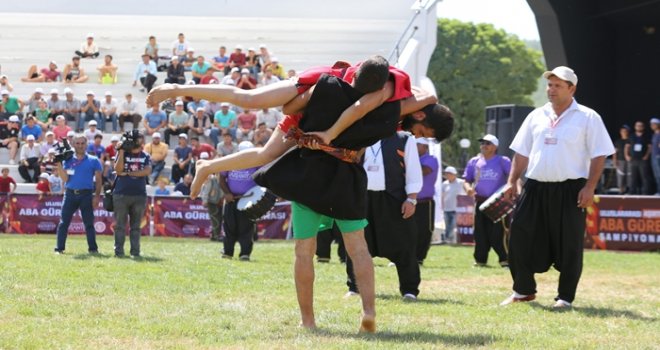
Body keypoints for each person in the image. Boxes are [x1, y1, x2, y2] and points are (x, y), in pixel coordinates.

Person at [146, 56, 449, 197]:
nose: (413, 136)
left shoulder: (397, 114)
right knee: (250, 99)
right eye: (421, 132)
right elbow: (359, 108)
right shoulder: (403, 100)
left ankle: (208, 167)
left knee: (266, 155)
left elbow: (363, 126)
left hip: (317, 114)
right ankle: (175, 87)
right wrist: (329, 134)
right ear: (422, 116)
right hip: (320, 87)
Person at [501, 66, 615, 308]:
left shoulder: (588, 117)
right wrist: (512, 181)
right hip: (534, 187)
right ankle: (523, 290)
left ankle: (565, 298)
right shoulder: (535, 115)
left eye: (557, 86)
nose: (551, 90)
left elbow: (599, 155)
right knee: (519, 236)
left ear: (571, 88)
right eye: (549, 85)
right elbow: (521, 152)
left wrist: (590, 187)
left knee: (570, 244)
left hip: (571, 189)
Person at [345, 131, 423, 301]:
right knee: (356, 243)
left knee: (404, 244)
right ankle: (354, 287)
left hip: (394, 199)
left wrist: (411, 199)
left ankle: (409, 290)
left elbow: (413, 170)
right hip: (362, 199)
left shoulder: (404, 139)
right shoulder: (358, 135)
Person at [463, 134, 511, 267]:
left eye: (488, 143)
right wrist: (468, 189)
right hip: (480, 201)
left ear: (495, 147)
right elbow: (467, 180)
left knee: (498, 233)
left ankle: (505, 260)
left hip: (497, 203)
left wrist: (514, 190)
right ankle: (480, 260)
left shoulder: (502, 160)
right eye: (482, 143)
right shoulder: (474, 161)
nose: (484, 145)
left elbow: (513, 177)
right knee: (480, 232)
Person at [54, 134, 104, 254]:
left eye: (82, 143)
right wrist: (59, 164)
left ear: (86, 144)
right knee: (63, 222)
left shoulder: (94, 160)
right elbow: (65, 178)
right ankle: (59, 249)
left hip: (86, 195)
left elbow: (99, 180)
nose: (80, 146)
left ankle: (93, 249)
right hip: (70, 194)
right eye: (77, 143)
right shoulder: (68, 159)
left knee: (89, 224)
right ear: (73, 144)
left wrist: (97, 196)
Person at [113, 130, 151, 257]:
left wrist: (128, 173)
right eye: (139, 139)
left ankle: (135, 252)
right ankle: (119, 252)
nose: (141, 142)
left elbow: (146, 171)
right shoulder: (122, 153)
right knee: (120, 226)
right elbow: (118, 170)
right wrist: (121, 151)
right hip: (121, 194)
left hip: (139, 194)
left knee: (136, 226)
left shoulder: (145, 155)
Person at [218, 141, 258, 260]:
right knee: (229, 226)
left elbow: (262, 178)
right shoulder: (230, 162)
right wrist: (227, 193)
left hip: (248, 200)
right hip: (232, 200)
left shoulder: (257, 163)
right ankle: (228, 252)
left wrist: (256, 193)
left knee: (246, 227)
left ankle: (245, 253)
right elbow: (221, 177)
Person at [414, 137, 439, 263]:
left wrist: (406, 165)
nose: (415, 147)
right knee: (406, 229)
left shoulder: (431, 159)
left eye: (418, 145)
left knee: (424, 230)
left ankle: (419, 258)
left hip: (425, 202)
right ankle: (405, 257)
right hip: (409, 201)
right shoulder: (411, 158)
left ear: (425, 147)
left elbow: (424, 171)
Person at [625, 121, 652, 195]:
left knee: (645, 176)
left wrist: (646, 156)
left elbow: (650, 147)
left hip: (643, 159)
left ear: (643, 127)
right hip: (633, 159)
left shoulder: (647, 136)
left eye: (640, 126)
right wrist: (627, 155)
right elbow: (627, 146)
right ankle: (631, 192)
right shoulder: (631, 136)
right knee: (632, 177)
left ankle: (645, 192)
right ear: (635, 127)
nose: (639, 127)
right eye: (637, 125)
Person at [441, 166, 465, 244]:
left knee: (452, 225)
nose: (448, 175)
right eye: (447, 174)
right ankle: (448, 239)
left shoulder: (461, 182)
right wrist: (442, 206)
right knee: (447, 225)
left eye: (450, 174)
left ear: (454, 174)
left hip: (457, 208)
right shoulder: (444, 184)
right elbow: (443, 195)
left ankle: (449, 238)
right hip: (447, 208)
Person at [612, 124, 631, 194]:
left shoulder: (630, 140)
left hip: (630, 161)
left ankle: (629, 190)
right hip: (620, 161)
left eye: (625, 131)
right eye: (622, 131)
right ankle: (621, 190)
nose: (624, 132)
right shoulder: (617, 141)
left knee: (629, 176)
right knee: (620, 176)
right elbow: (614, 152)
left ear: (628, 132)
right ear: (620, 132)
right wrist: (614, 161)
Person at [651, 118, 660, 195]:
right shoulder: (654, 134)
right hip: (654, 157)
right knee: (657, 175)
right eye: (651, 124)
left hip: (658, 157)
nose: (652, 126)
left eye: (654, 124)